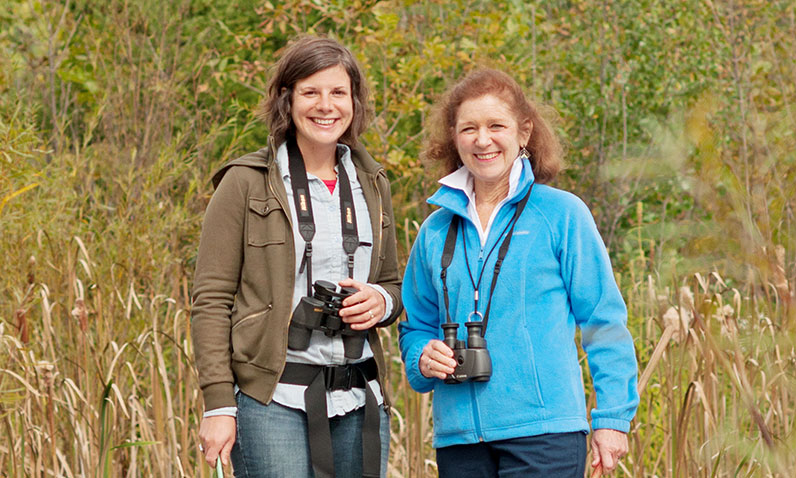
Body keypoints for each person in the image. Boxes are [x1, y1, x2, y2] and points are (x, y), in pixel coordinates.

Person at [398, 69, 639, 477]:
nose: (482, 139)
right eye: (469, 128)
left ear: (524, 131)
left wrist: (612, 418)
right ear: (454, 138)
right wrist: (421, 356)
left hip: (545, 436)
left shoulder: (561, 214)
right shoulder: (435, 231)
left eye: (496, 126)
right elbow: (416, 326)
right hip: (459, 441)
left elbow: (603, 320)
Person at [191, 36, 402, 478]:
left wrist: (380, 302)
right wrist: (218, 402)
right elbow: (211, 299)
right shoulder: (245, 182)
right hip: (272, 399)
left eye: (338, 92)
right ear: (287, 100)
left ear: (354, 101)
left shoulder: (373, 184)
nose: (325, 106)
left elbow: (392, 284)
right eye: (310, 92)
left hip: (358, 393)